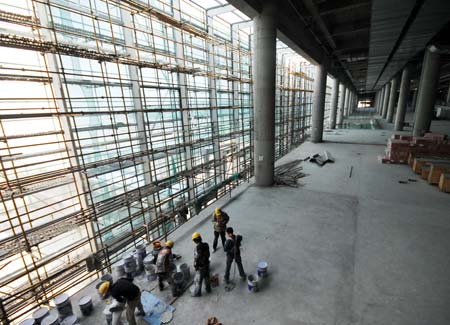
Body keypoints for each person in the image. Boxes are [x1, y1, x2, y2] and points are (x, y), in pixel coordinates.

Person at [191, 232, 211, 297]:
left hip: (201, 267)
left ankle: (197, 293)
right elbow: (208, 254)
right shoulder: (206, 244)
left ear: (195, 240)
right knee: (207, 277)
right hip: (207, 264)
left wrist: (195, 266)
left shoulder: (197, 248)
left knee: (198, 281)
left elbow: (197, 258)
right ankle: (208, 289)